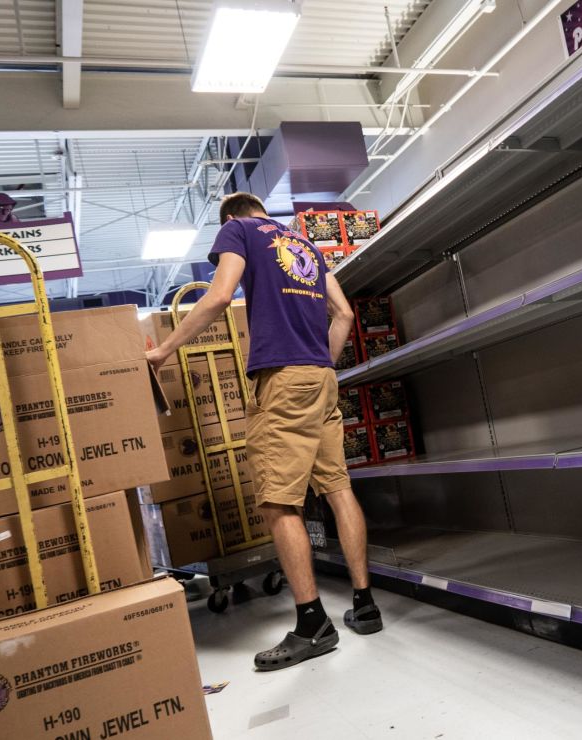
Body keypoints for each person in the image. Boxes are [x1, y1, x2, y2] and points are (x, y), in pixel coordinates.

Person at [146, 192, 382, 671]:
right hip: (322, 378)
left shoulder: (239, 230)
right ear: (261, 207)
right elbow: (345, 315)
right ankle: (364, 604)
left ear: (230, 216)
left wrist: (162, 352)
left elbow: (218, 295)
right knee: (338, 488)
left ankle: (313, 624)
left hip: (285, 379)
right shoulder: (306, 246)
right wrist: (322, 365)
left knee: (278, 502)